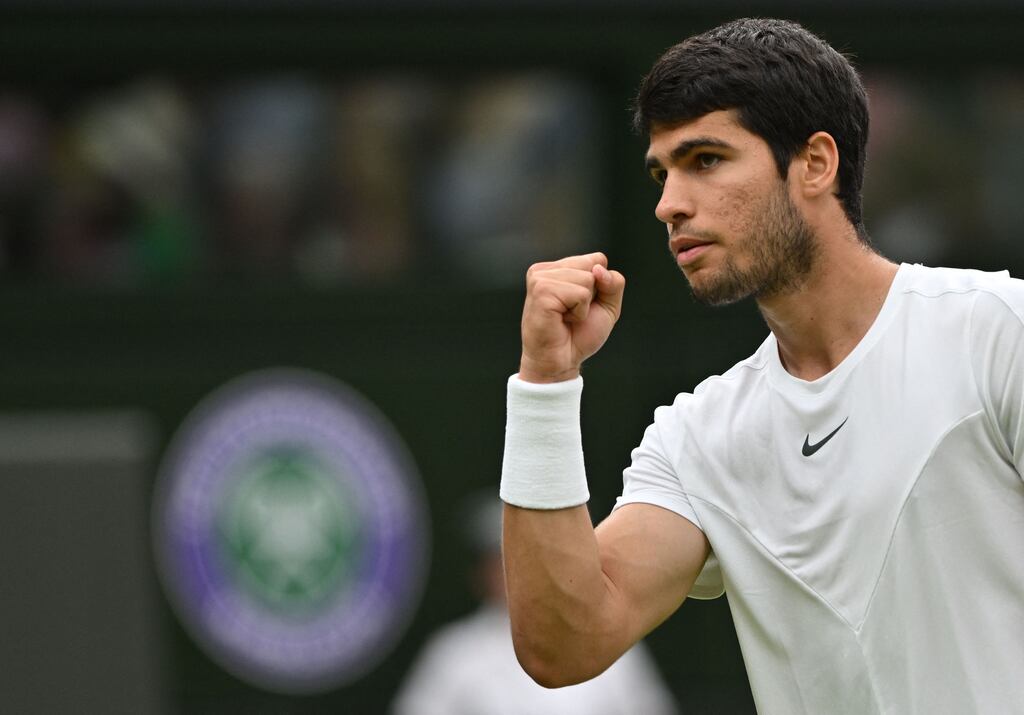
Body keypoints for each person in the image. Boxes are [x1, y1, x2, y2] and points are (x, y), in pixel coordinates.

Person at [500, 17, 1024, 715]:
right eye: (662, 172)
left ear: (815, 163)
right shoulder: (699, 437)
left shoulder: (997, 331)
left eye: (706, 159)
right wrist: (545, 382)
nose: (669, 204)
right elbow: (564, 643)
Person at [391, 496, 678, 715]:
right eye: (498, 559)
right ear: (482, 571)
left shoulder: (611, 639)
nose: (511, 569)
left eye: (525, 556)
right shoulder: (455, 652)